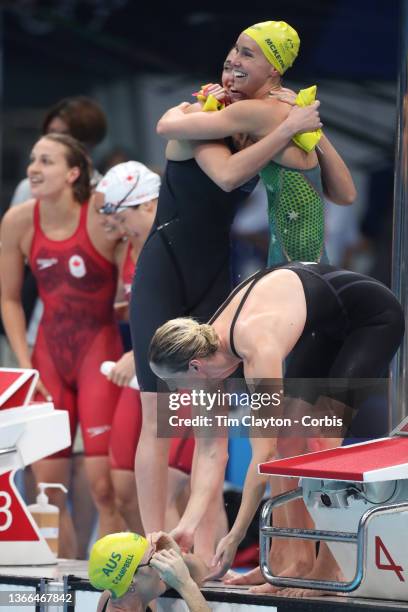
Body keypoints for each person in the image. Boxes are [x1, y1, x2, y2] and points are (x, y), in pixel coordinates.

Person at [130, 45, 324, 554]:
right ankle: (154, 541)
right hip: (164, 273)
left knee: (212, 427)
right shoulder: (198, 119)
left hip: (217, 280)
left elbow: (316, 168)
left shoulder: (252, 127)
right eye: (231, 55)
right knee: (162, 419)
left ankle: (203, 544)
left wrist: (305, 125)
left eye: (247, 59)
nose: (233, 66)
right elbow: (227, 175)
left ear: (270, 74)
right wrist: (285, 126)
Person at [149, 262, 404, 594]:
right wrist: (187, 525)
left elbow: (262, 456)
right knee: (287, 440)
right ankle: (290, 562)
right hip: (326, 324)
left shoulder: (256, 346)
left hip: (372, 318)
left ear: (195, 367)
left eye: (178, 385)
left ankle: (330, 567)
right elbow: (212, 453)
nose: (182, 393)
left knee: (319, 439)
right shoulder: (203, 350)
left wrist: (236, 535)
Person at [0, 133, 124, 557]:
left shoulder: (102, 216)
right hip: (47, 359)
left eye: (46, 161)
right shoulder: (18, 221)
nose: (33, 168)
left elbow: (133, 284)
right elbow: (9, 298)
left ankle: (113, 587)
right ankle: (59, 590)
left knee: (104, 487)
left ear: (73, 173)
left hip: (99, 356)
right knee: (46, 490)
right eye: (33, 159)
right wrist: (25, 366)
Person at [156, 20, 356, 266]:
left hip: (290, 269)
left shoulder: (256, 111)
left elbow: (165, 128)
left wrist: (181, 108)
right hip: (314, 265)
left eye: (247, 54)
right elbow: (346, 195)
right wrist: (308, 125)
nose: (236, 63)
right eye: (229, 62)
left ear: (274, 69)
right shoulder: (288, 108)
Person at [90, 531, 209, 612]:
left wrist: (179, 557)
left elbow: (202, 574)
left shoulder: (121, 594)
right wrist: (185, 585)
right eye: (153, 560)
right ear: (131, 582)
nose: (161, 564)